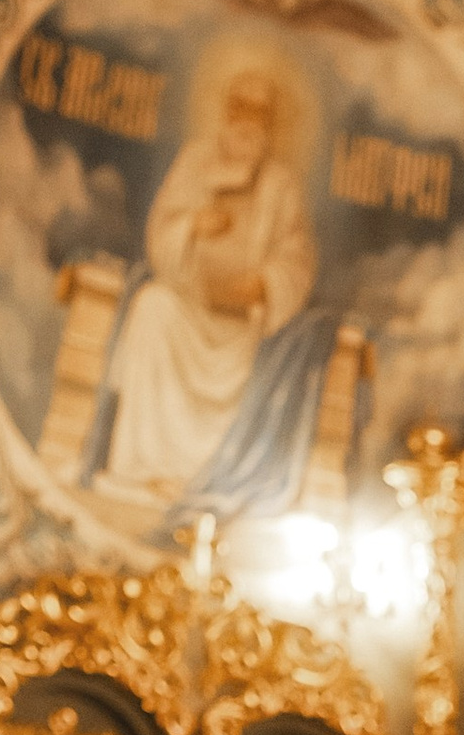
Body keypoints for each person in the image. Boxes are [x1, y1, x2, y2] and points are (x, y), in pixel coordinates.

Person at [89, 66, 322, 516]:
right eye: (241, 108)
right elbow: (162, 231)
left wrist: (263, 283)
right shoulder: (197, 160)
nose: (249, 120)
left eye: (260, 113)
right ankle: (141, 470)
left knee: (235, 352)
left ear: (271, 123)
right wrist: (195, 225)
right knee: (151, 306)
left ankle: (199, 480)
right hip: (189, 306)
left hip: (240, 327)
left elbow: (297, 257)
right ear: (227, 111)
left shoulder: (281, 184)